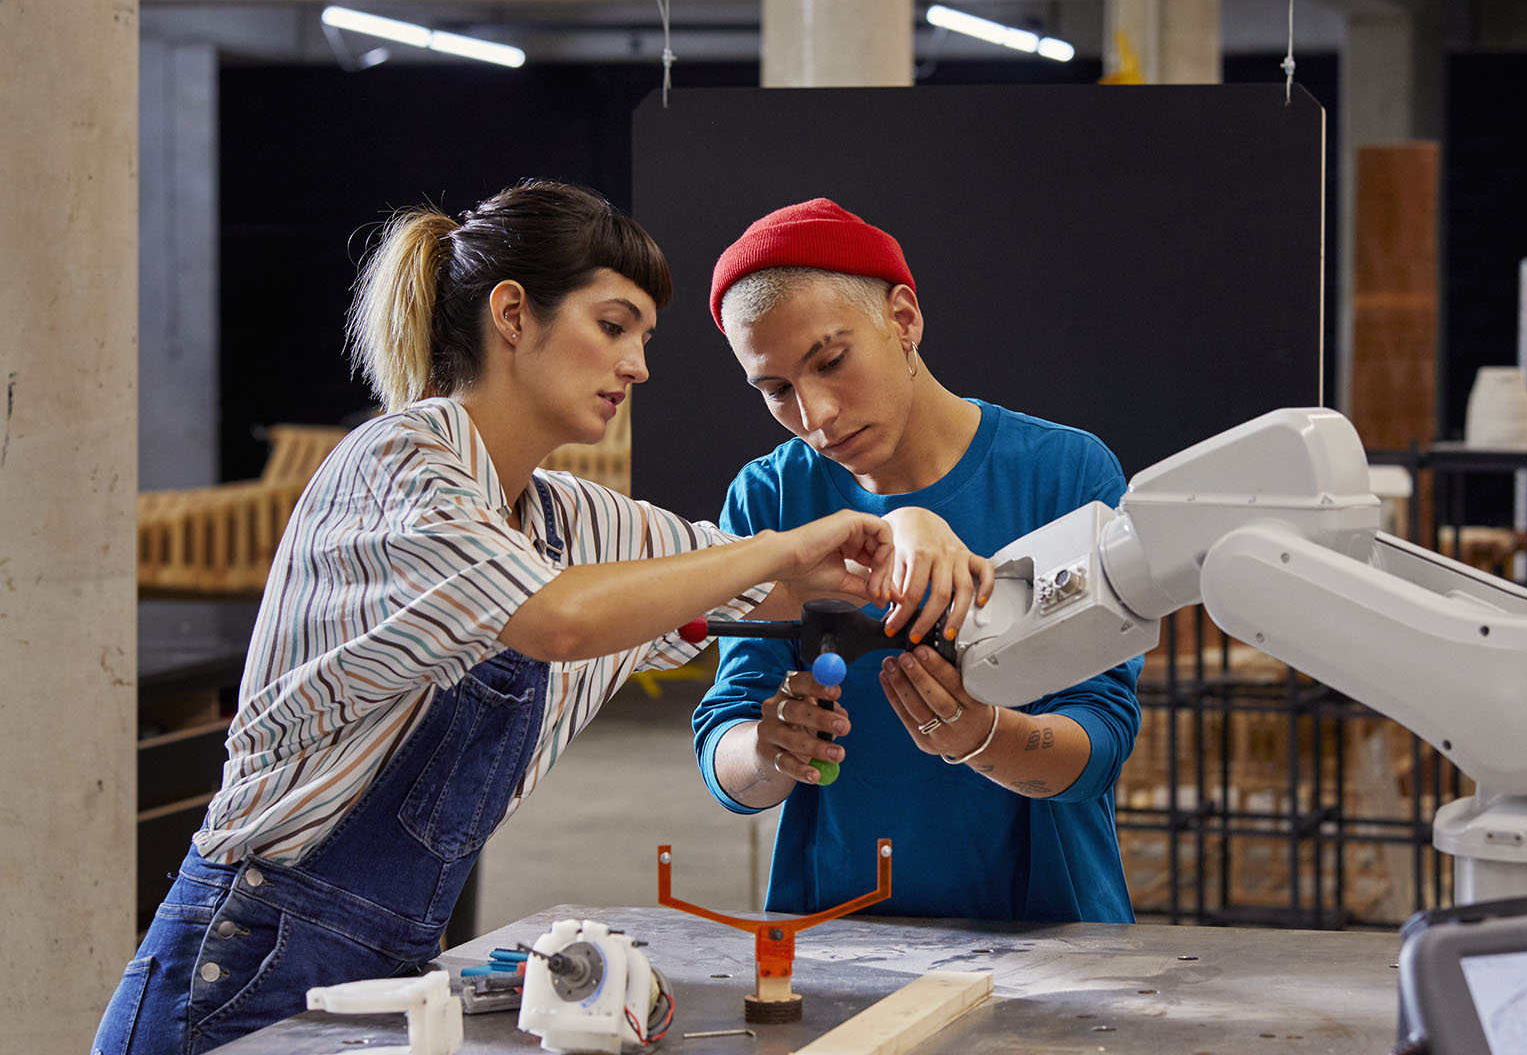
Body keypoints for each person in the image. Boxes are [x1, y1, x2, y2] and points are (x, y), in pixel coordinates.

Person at [94, 182, 985, 1055]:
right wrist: (793, 546)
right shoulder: (400, 464)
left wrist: (912, 532)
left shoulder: (568, 518)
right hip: (246, 960)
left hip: (395, 963)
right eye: (613, 325)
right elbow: (556, 620)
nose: (637, 365)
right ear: (513, 314)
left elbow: (763, 587)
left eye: (643, 337)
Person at [691, 199, 1143, 924]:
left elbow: (1102, 743)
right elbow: (726, 742)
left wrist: (984, 737)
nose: (816, 415)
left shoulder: (1063, 472)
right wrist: (772, 751)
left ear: (903, 319)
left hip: (1048, 921)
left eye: (831, 362)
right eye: (775, 390)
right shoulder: (772, 493)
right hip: (837, 925)